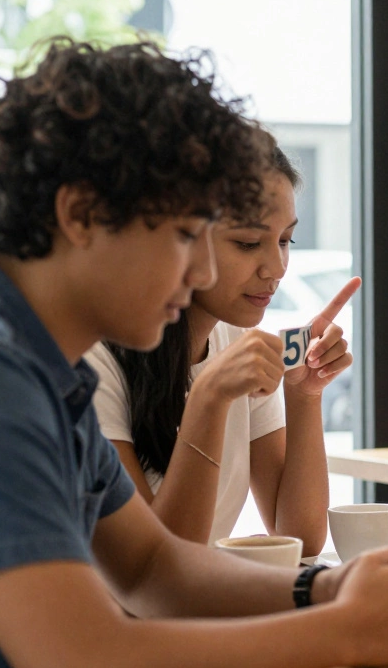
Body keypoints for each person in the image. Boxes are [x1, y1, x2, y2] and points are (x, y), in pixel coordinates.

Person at [0, 39, 388, 668]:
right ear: (81, 213)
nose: (203, 271)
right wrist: (344, 630)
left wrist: (325, 587)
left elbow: (152, 566)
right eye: (184, 235)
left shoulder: (39, 366)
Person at [85, 140, 355, 555]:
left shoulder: (238, 344)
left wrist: (304, 394)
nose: (278, 268)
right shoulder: (95, 362)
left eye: (286, 241)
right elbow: (157, 571)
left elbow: (300, 540)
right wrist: (209, 397)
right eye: (249, 243)